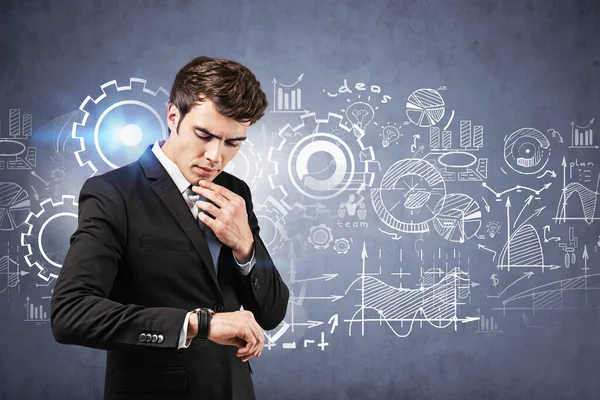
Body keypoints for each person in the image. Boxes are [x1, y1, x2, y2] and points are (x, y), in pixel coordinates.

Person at [50, 56, 290, 400]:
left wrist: (246, 247)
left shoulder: (236, 193)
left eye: (232, 143)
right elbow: (71, 313)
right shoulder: (113, 193)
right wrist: (198, 323)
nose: (215, 156)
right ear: (173, 116)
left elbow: (271, 312)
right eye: (204, 135)